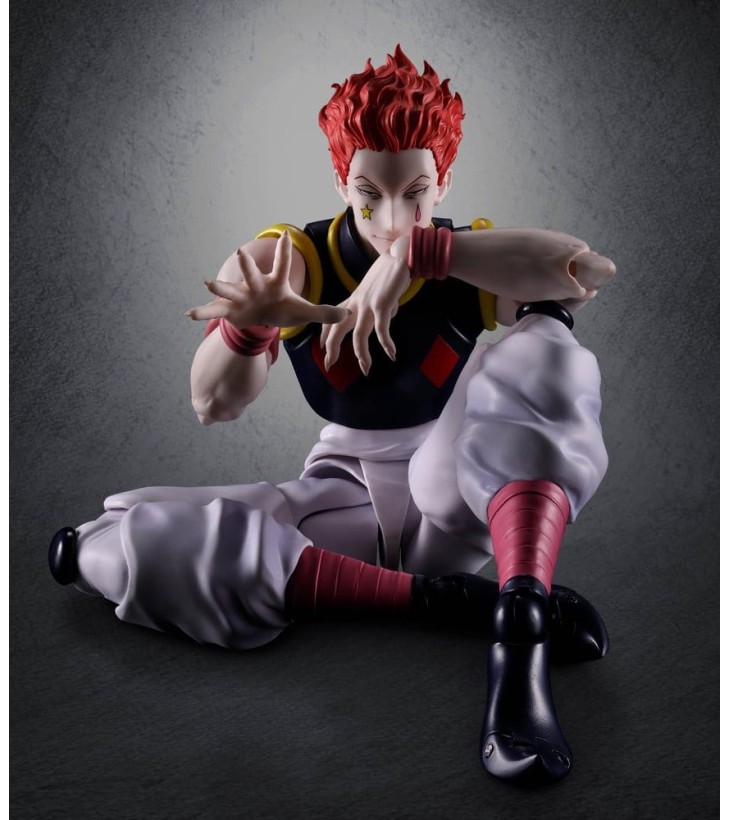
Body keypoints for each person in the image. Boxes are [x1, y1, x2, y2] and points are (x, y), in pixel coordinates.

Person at [49, 46, 615, 784]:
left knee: (546, 339)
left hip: (455, 488)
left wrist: (420, 254)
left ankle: (521, 628)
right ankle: (461, 605)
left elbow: (582, 273)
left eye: (416, 194)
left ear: (443, 180)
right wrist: (249, 327)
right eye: (369, 195)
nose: (392, 218)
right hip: (337, 507)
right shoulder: (298, 257)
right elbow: (212, 403)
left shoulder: (464, 255)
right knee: (104, 546)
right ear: (341, 180)